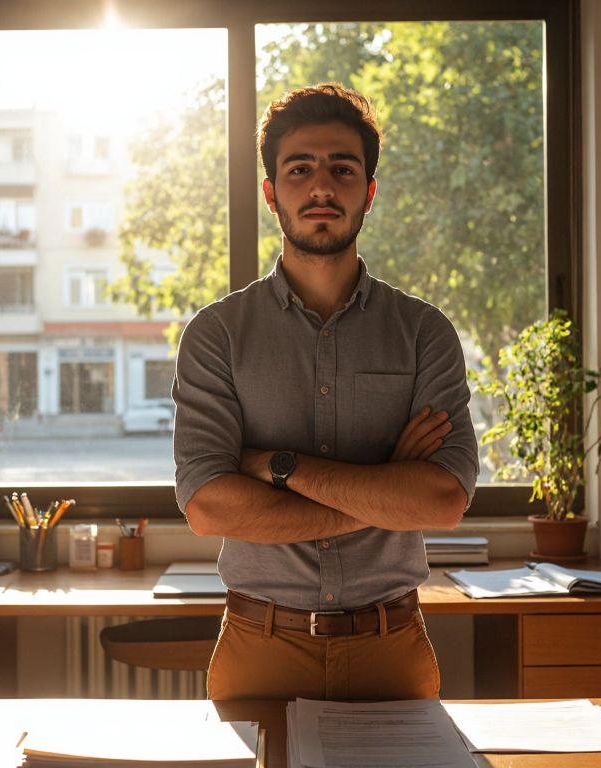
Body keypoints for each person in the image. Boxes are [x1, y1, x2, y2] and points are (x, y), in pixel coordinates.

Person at [173, 83, 478, 701]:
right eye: (299, 169)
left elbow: (442, 500)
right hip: (260, 644)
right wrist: (388, 485)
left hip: (390, 645)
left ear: (368, 192)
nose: (321, 187)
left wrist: (276, 467)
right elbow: (208, 507)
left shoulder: (424, 332)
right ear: (270, 193)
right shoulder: (216, 335)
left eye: (342, 169)